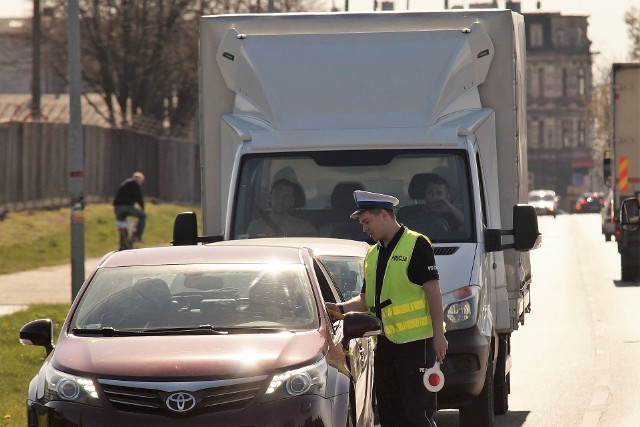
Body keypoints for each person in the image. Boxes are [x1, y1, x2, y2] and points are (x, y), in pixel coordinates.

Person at [326, 190, 448, 427]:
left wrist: (439, 336)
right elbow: (365, 299)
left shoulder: (416, 244)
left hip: (417, 346)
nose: (364, 229)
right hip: (386, 346)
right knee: (390, 415)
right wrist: (338, 307)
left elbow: (434, 292)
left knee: (416, 415)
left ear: (384, 215)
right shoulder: (373, 254)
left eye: (367, 222)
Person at [247, 178, 316, 237]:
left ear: (292, 201)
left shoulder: (304, 228)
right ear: (270, 198)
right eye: (277, 194)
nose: (281, 200)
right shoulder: (256, 226)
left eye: (286, 196)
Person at [113, 171, 146, 243]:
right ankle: (137, 236)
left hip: (117, 208)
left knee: (122, 225)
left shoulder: (124, 184)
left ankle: (123, 244)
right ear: (140, 179)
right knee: (143, 216)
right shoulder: (135, 184)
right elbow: (139, 198)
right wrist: (143, 208)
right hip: (127, 207)